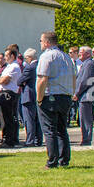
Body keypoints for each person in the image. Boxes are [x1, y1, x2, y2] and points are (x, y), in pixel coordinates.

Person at [36, 31, 76, 169]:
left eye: (41, 41)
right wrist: (72, 93)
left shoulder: (47, 56)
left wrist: (39, 98)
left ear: (47, 42)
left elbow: (42, 78)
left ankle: (52, 160)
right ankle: (64, 159)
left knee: (50, 130)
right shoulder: (66, 57)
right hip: (65, 96)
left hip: (51, 95)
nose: (40, 43)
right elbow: (73, 77)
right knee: (61, 129)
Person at [0, 50, 22, 148]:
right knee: (5, 117)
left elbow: (4, 80)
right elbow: (0, 80)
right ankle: (6, 138)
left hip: (9, 94)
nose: (5, 58)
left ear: (12, 56)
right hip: (4, 92)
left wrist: (0, 80)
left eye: (7, 55)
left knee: (8, 118)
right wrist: (0, 80)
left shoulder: (14, 66)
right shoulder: (9, 66)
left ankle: (9, 140)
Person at [73, 47, 94, 145]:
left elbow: (85, 81)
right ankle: (85, 138)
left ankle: (86, 139)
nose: (79, 54)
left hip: (86, 95)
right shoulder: (86, 64)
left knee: (86, 119)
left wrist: (77, 93)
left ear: (88, 54)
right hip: (84, 95)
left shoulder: (89, 64)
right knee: (83, 118)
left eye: (81, 52)